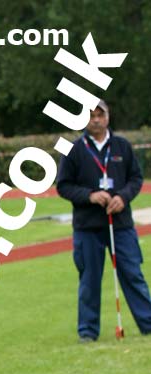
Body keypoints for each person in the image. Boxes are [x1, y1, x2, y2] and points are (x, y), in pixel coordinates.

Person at [57, 99, 151, 341]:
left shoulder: (122, 146)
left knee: (132, 273)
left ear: (108, 117)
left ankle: (148, 324)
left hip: (120, 224)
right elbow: (64, 186)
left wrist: (123, 196)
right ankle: (88, 332)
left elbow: (136, 179)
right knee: (89, 279)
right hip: (88, 227)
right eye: (91, 115)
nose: (96, 119)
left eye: (100, 114)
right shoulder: (73, 150)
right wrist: (89, 195)